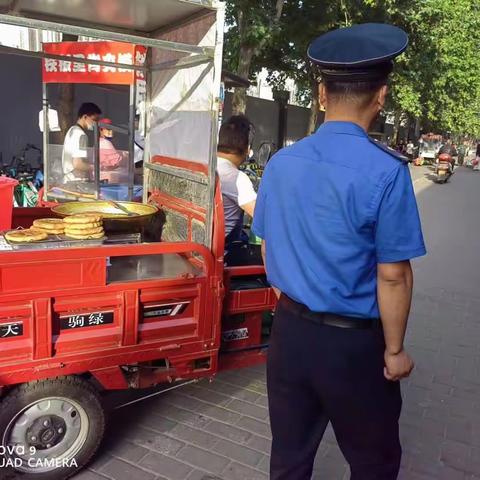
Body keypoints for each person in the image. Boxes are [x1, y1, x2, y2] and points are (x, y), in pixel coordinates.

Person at [252, 23, 426, 480]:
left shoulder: (281, 163)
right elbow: (393, 275)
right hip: (354, 347)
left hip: (288, 335)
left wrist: (291, 309)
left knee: (289, 457)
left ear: (321, 93)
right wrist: (394, 351)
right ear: (381, 95)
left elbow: (269, 251)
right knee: (373, 461)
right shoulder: (386, 172)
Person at [217, 115, 259, 265]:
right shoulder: (236, 178)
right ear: (248, 149)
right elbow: (262, 216)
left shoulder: (206, 167)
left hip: (203, 249)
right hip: (225, 256)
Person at [62, 102, 102, 183]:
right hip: (77, 182)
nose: (96, 124)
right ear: (85, 117)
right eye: (94, 120)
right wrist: (97, 168)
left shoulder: (72, 130)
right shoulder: (81, 135)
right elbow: (78, 164)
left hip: (68, 179)